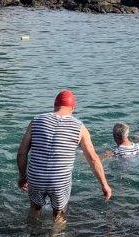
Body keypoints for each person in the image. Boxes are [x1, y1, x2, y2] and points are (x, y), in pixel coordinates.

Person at [16, 89, 112, 223]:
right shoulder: (79, 127)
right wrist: (104, 184)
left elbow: (21, 152)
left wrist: (22, 177)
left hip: (36, 177)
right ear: (73, 108)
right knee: (59, 213)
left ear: (55, 106)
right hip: (59, 180)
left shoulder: (36, 121)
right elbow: (93, 158)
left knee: (35, 208)